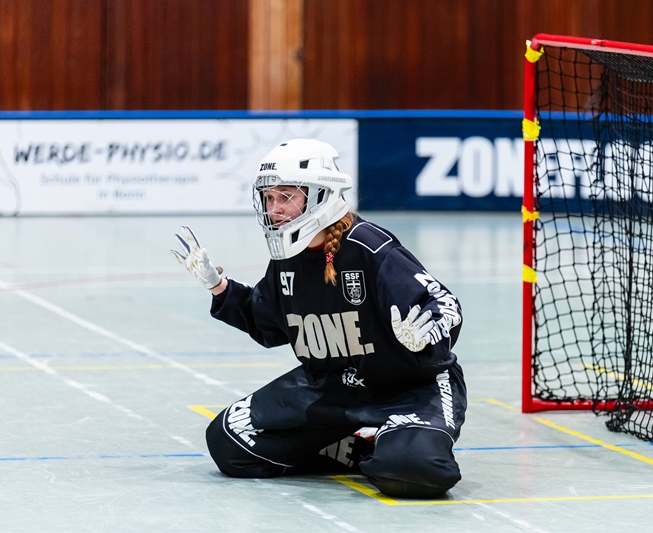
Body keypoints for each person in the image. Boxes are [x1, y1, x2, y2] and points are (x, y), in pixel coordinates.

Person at [171, 138, 466, 499]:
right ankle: (363, 448)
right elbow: (266, 324)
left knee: (415, 469)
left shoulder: (369, 246)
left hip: (409, 389)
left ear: (321, 195)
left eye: (286, 197)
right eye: (269, 198)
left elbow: (444, 304)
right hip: (332, 389)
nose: (274, 209)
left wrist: (427, 334)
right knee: (230, 442)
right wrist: (220, 288)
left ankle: (397, 444)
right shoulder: (286, 259)